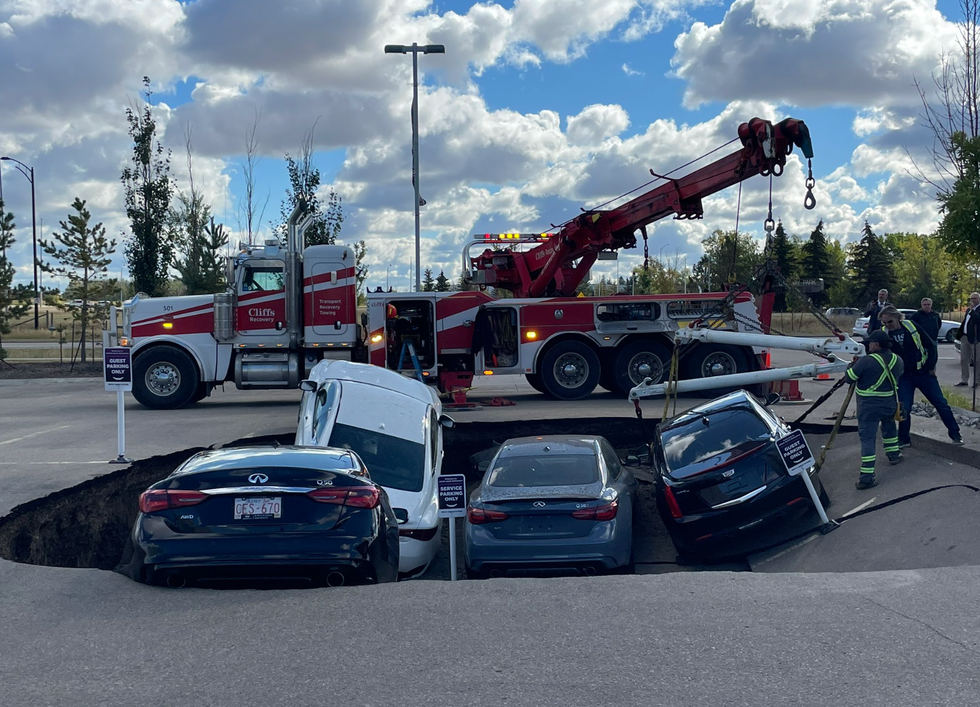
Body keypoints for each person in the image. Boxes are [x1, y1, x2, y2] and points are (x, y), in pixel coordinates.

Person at [879, 306, 964, 446]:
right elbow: (874, 348)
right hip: (903, 377)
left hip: (923, 374)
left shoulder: (912, 327)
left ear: (897, 318)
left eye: (890, 321)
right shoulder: (884, 333)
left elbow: (930, 345)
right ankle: (904, 438)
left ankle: (955, 434)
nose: (888, 325)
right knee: (903, 408)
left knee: (940, 403)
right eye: (884, 323)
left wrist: (930, 367)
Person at [846, 330, 904, 490]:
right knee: (890, 428)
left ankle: (866, 477)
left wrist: (851, 366)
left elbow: (849, 378)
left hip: (868, 407)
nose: (867, 345)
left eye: (869, 343)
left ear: (876, 344)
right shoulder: (898, 360)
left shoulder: (866, 361)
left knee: (868, 439)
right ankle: (894, 455)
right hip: (890, 403)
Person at [955, 292, 980, 387]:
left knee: (977, 361)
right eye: (971, 299)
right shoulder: (968, 310)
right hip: (965, 337)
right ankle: (964, 379)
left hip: (975, 338)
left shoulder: (976, 310)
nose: (973, 300)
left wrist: (973, 311)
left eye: (975, 298)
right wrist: (959, 334)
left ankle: (977, 381)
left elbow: (978, 319)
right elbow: (965, 322)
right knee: (964, 359)